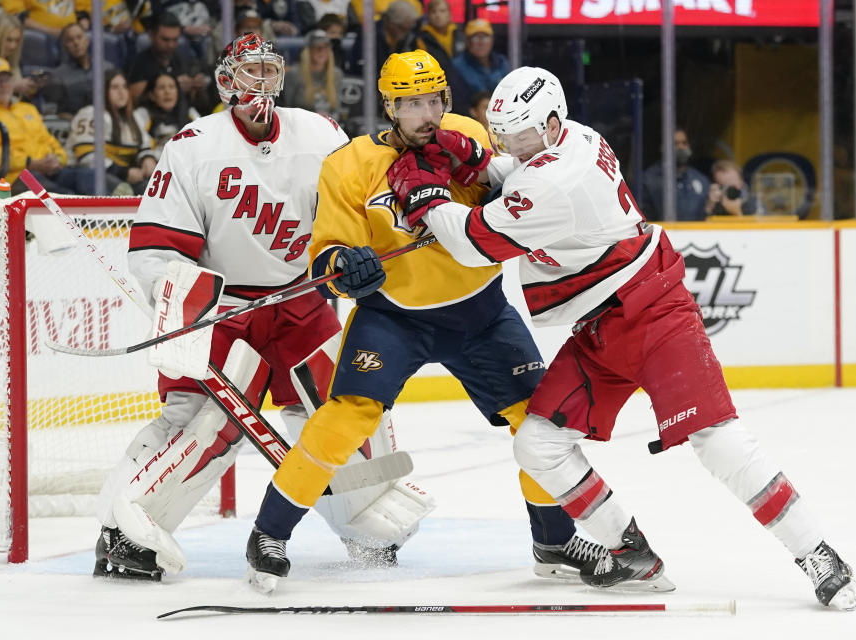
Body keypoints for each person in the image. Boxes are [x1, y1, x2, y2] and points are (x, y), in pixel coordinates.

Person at [391, 66, 856, 610]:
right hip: (601, 324)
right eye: (500, 136)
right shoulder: (573, 139)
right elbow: (514, 173)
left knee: (719, 441)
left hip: (652, 313)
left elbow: (474, 241)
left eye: (518, 137)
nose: (509, 147)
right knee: (538, 444)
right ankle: (630, 551)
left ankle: (819, 554)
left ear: (550, 124)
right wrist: (479, 158)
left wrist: (427, 198)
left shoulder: (552, 181)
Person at [242, 50, 599, 595]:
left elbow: (515, 198)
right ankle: (268, 536)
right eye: (410, 103)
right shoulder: (349, 165)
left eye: (433, 100)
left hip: (480, 312)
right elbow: (325, 257)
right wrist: (345, 265)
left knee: (538, 422)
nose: (426, 114)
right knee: (346, 418)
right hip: (394, 317)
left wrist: (493, 176)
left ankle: (554, 540)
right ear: (389, 106)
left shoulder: (464, 135)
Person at [93, 33, 431, 583]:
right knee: (201, 421)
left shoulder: (320, 134)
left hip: (301, 297)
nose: (261, 82)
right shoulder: (192, 145)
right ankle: (125, 530)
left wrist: (357, 255)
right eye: (249, 70)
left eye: (268, 70)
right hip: (225, 307)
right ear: (226, 80)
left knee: (346, 404)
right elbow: (157, 247)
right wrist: (181, 298)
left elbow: (362, 209)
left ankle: (361, 515)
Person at [0, 57, 96, 195]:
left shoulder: (27, 109)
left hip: (48, 169)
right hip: (15, 176)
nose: (4, 85)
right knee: (63, 196)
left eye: (7, 80)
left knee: (88, 177)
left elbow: (49, 140)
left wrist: (58, 158)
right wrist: (30, 163)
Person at [66, 69, 157, 195]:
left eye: (124, 87)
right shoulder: (91, 114)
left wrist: (147, 159)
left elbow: (144, 146)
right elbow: (86, 156)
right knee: (122, 191)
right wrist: (123, 172)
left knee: (154, 192)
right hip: (83, 174)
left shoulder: (134, 118)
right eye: (114, 87)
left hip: (120, 175)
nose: (121, 92)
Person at [128, 12, 210, 113]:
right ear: (151, 36)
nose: (171, 45)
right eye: (165, 39)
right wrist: (175, 85)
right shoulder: (139, 62)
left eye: (175, 40)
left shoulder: (181, 58)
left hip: (181, 117)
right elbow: (132, 97)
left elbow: (196, 101)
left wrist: (196, 87)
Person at [637, 127, 709, 221]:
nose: (681, 147)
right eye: (675, 143)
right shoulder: (648, 180)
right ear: (663, 147)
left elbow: (705, 216)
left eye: (684, 143)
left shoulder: (701, 179)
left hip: (696, 234)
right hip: (663, 233)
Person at [280, 29, 343, 122]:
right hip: (299, 125)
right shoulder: (293, 74)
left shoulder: (336, 74)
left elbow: (337, 109)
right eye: (316, 47)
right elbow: (286, 109)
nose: (321, 51)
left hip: (329, 127)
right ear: (307, 51)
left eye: (325, 47)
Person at [347, 0, 418, 76]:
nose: (405, 34)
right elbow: (360, 69)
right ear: (390, 22)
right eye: (402, 29)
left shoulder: (409, 37)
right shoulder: (369, 35)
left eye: (409, 29)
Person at [133, 71, 201, 149]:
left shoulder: (190, 113)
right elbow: (143, 145)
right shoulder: (142, 114)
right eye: (161, 87)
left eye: (171, 87)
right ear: (151, 95)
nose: (167, 92)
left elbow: (202, 139)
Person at [0, 12, 37, 101]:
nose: (13, 46)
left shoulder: (16, 63)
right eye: (8, 40)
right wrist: (13, 86)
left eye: (17, 40)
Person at [451, 19, 508, 97]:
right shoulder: (457, 67)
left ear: (492, 40)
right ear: (467, 41)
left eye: (485, 37)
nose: (481, 43)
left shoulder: (502, 63)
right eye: (475, 37)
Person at [415, 0, 463, 68]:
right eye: (433, 12)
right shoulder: (421, 39)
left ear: (449, 14)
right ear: (428, 16)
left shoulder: (460, 34)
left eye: (442, 11)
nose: (438, 15)